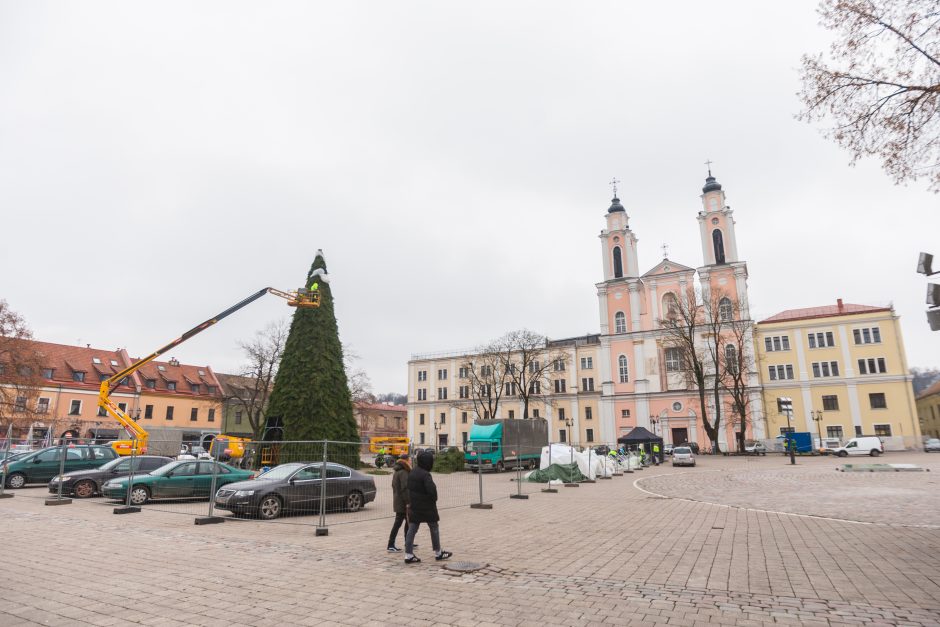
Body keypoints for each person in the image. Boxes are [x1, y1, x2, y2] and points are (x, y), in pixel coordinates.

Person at [404, 450, 452, 564]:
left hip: (415, 505)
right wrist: (433, 499)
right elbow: (432, 491)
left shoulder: (413, 472)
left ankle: (408, 554)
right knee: (434, 528)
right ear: (428, 462)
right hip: (427, 507)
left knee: (412, 528)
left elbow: (408, 487)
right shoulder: (426, 474)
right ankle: (438, 552)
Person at [387, 455, 411, 552]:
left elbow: (393, 486)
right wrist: (408, 502)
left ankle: (408, 542)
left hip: (399, 501)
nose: (410, 461)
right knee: (399, 523)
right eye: (409, 460)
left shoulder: (397, 471)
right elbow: (405, 488)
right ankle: (391, 544)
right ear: (405, 461)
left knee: (408, 523)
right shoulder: (403, 472)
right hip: (403, 503)